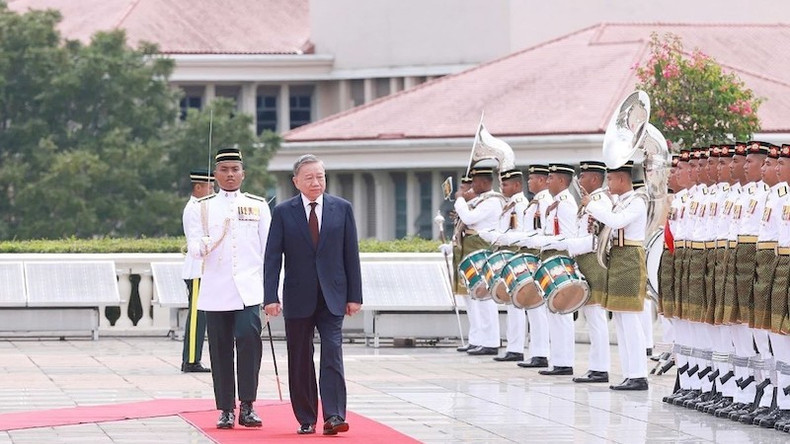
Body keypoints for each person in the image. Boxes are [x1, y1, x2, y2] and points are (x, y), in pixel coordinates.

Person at [263, 154, 363, 436]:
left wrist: (354, 295)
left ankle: (334, 415)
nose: (316, 182)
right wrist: (270, 296)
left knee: (333, 352)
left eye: (320, 176)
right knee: (300, 357)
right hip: (297, 297)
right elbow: (272, 258)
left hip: (333, 296)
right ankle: (306, 416)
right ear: (296, 182)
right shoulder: (283, 212)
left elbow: (350, 255)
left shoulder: (342, 209)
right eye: (309, 177)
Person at [184, 147, 271, 429]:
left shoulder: (258, 205)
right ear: (216, 174)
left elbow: (269, 251)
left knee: (249, 340)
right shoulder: (202, 207)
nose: (230, 175)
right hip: (216, 290)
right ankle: (225, 409)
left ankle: (248, 405)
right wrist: (209, 241)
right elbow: (194, 248)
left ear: (243, 174)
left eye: (235, 170)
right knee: (220, 351)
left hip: (248, 289)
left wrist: (273, 292)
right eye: (224, 170)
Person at [586, 160, 649, 391]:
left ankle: (639, 374)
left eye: (611, 179)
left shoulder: (638, 201)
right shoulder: (620, 202)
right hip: (618, 257)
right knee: (621, 320)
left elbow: (617, 222)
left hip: (630, 257)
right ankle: (630, 372)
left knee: (630, 320)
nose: (608, 183)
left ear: (622, 179)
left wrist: (592, 206)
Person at [550, 160, 612, 383]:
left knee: (596, 317)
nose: (580, 180)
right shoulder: (589, 201)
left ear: (594, 179)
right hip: (584, 260)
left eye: (583, 176)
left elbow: (597, 238)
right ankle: (596, 366)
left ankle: (600, 368)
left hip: (594, 261)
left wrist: (569, 246)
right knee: (591, 315)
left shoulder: (600, 201)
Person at [518, 163, 578, 376]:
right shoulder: (555, 203)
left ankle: (565, 361)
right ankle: (558, 360)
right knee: (553, 312)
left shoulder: (566, 204)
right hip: (550, 256)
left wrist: (544, 242)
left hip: (560, 258)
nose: (547, 182)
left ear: (562, 181)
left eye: (551, 178)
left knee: (561, 313)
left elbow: (569, 236)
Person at [452, 164, 505, 356]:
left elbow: (469, 217)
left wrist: (460, 199)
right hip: (473, 249)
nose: (472, 186)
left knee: (485, 297)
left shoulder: (491, 201)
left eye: (474, 182)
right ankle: (478, 339)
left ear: (484, 182)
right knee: (474, 297)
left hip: (483, 250)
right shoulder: (481, 200)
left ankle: (490, 341)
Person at [479, 168, 529, 362]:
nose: (502, 188)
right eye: (501, 184)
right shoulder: (509, 204)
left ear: (517, 185)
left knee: (516, 306)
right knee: (510, 304)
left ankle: (517, 348)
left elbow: (520, 233)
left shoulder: (520, 205)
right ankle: (512, 346)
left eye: (506, 184)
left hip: (515, 255)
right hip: (506, 255)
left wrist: (497, 236)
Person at [180, 168, 214, 373]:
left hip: (203, 270)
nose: (213, 191)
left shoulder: (202, 207)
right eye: (210, 187)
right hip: (196, 269)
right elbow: (198, 238)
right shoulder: (195, 208)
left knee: (201, 316)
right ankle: (191, 359)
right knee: (196, 317)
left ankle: (194, 357)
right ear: (198, 187)